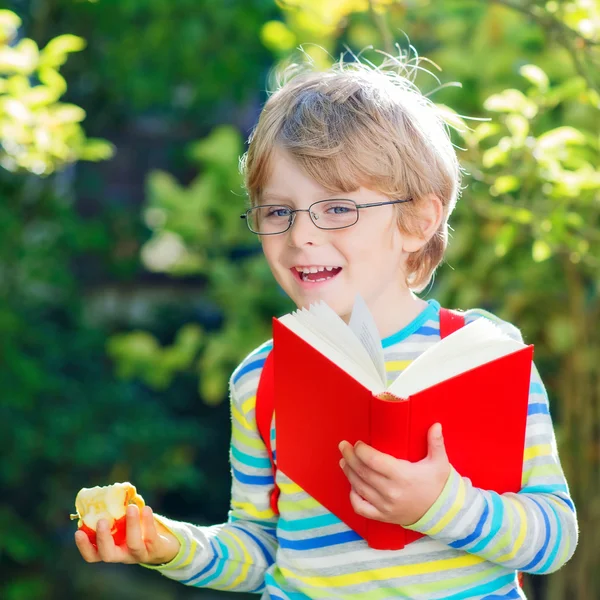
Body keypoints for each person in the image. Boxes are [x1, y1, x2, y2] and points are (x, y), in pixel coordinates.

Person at [75, 54, 578, 599]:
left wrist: (442, 506)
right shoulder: (261, 379)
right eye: (277, 212)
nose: (301, 236)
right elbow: (261, 548)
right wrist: (173, 546)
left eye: (337, 209)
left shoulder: (482, 354)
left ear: (417, 221)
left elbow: (553, 538)